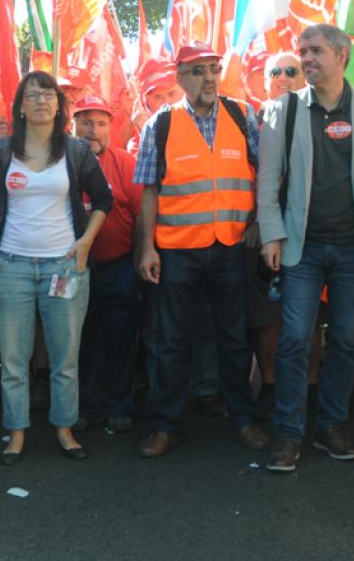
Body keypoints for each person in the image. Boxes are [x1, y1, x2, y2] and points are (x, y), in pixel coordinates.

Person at [256, 24, 354, 472]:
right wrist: (272, 234)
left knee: (342, 340)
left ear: (342, 56)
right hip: (302, 249)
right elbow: (267, 181)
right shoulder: (282, 111)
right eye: (303, 51)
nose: (307, 59)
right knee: (295, 341)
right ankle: (287, 433)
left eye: (316, 50)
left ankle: (331, 426)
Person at [134, 45, 269, 458]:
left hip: (230, 247)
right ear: (180, 77)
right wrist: (146, 250)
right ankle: (166, 426)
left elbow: (266, 173)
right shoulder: (161, 124)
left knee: (233, 338)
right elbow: (149, 192)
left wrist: (260, 223)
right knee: (171, 340)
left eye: (213, 70)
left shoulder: (241, 115)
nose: (209, 78)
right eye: (197, 71)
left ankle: (242, 420)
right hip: (176, 251)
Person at [0, 71, 111, 465]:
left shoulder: (76, 150)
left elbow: (104, 199)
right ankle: (16, 433)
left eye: (48, 94)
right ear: (19, 106)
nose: (41, 101)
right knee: (14, 359)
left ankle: (64, 428)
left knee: (64, 357)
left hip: (64, 268)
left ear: (58, 104)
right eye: (32, 95)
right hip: (13, 266)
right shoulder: (4, 151)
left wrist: (85, 242)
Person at [71, 95, 143, 436]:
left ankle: (119, 408)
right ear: (72, 125)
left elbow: (143, 215)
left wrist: (141, 259)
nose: (93, 130)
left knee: (120, 341)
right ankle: (87, 407)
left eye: (101, 123)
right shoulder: (60, 164)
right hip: (74, 270)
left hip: (118, 268)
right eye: (86, 122)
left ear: (111, 128)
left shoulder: (126, 163)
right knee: (81, 342)